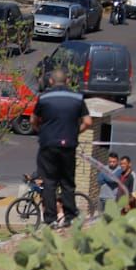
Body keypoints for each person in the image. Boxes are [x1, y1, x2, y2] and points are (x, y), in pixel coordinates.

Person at [32, 69, 91, 227]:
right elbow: (88, 122)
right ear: (67, 81)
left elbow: (33, 120)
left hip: (48, 145)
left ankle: (50, 219)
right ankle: (70, 216)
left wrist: (42, 132)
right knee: (67, 182)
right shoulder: (78, 98)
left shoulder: (43, 98)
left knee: (49, 182)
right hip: (68, 146)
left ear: (51, 81)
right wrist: (75, 132)